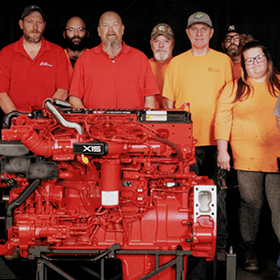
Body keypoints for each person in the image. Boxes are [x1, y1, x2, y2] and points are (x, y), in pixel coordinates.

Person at [162, 11, 233, 262]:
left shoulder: (224, 61)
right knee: (185, 195)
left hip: (216, 142)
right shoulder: (177, 63)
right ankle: (189, 248)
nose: (199, 33)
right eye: (194, 29)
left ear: (212, 33)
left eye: (204, 29)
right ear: (187, 33)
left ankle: (219, 249)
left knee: (218, 197)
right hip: (185, 144)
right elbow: (168, 103)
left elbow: (231, 101)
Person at [215, 40, 280, 272]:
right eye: (249, 60)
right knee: (251, 205)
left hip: (277, 158)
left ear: (267, 58)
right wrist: (223, 151)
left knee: (279, 207)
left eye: (259, 57)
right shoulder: (235, 87)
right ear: (243, 64)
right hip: (247, 158)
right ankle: (249, 252)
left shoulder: (279, 84)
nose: (255, 63)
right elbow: (222, 120)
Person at [69, 11, 159, 109]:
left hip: (133, 124)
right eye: (105, 25)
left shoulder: (140, 58)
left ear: (122, 29)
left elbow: (150, 99)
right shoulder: (84, 59)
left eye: (115, 25)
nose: (110, 29)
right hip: (94, 123)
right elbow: (74, 97)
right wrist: (86, 120)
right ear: (99, 31)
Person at [0, 5, 69, 114]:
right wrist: (19, 119)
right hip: (17, 123)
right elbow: (1, 93)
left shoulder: (58, 52)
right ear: (21, 24)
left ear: (44, 25)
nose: (35, 26)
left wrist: (45, 116)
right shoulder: (6, 53)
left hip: (49, 122)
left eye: (39, 22)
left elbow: (63, 90)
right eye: (30, 22)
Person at [149, 23, 174, 108]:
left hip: (174, 118)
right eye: (157, 41)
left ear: (172, 44)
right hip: (149, 118)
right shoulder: (144, 66)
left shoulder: (179, 66)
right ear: (151, 44)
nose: (161, 45)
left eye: (166, 41)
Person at [63, 16, 89, 82]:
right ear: (64, 34)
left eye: (80, 30)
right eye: (71, 30)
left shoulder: (95, 58)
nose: (76, 34)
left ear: (87, 33)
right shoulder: (57, 58)